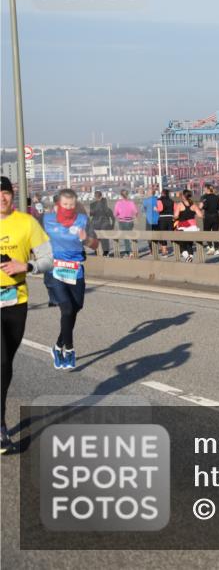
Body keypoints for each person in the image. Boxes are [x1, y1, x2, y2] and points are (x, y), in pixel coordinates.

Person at [1, 176, 54, 453]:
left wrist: (28, 265)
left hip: (16, 299)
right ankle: (0, 427)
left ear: (12, 195)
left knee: (6, 363)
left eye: (6, 193)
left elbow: (48, 259)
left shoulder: (27, 223)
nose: (2, 198)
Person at [42, 188, 99, 371]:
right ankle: (69, 350)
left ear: (76, 205)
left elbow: (95, 244)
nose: (68, 207)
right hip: (56, 270)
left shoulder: (82, 221)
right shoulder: (47, 220)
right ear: (58, 204)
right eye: (65, 204)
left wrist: (86, 238)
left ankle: (58, 346)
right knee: (66, 308)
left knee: (74, 309)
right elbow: (30, 235)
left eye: (72, 205)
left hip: (76, 271)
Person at [173, 189, 203, 262]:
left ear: (183, 196)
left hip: (183, 227)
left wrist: (175, 218)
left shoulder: (180, 204)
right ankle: (190, 258)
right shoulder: (193, 205)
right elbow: (201, 215)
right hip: (193, 227)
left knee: (181, 244)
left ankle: (187, 257)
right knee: (189, 244)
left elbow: (176, 216)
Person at [200, 184, 219, 256]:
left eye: (204, 188)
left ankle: (211, 247)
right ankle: (217, 249)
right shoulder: (216, 197)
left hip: (208, 217)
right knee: (215, 232)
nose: (204, 190)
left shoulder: (204, 197)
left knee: (207, 233)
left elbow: (200, 206)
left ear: (207, 189)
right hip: (216, 216)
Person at [113, 189, 138, 258]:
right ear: (127, 194)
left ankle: (129, 252)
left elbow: (115, 213)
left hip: (122, 221)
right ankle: (132, 251)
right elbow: (136, 212)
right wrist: (133, 216)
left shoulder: (118, 203)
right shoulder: (131, 202)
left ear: (121, 195)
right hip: (130, 221)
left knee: (126, 238)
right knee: (130, 236)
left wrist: (119, 215)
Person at [89, 190, 115, 255]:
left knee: (96, 239)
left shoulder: (92, 205)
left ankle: (96, 252)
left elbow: (91, 214)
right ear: (101, 196)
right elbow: (112, 217)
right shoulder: (105, 205)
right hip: (104, 224)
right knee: (104, 240)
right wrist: (112, 226)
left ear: (95, 196)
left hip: (95, 224)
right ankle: (105, 253)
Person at [142, 187, 161, 257]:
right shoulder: (158, 200)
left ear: (150, 193)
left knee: (149, 235)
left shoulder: (146, 201)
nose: (147, 193)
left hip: (149, 220)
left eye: (147, 192)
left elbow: (142, 210)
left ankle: (152, 250)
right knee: (157, 234)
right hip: (157, 220)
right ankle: (157, 249)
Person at [156, 188, 175, 256]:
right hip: (170, 218)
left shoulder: (159, 200)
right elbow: (174, 209)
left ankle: (164, 251)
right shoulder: (171, 201)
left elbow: (160, 209)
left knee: (163, 234)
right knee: (171, 234)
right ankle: (176, 248)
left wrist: (156, 209)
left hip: (162, 218)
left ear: (162, 193)